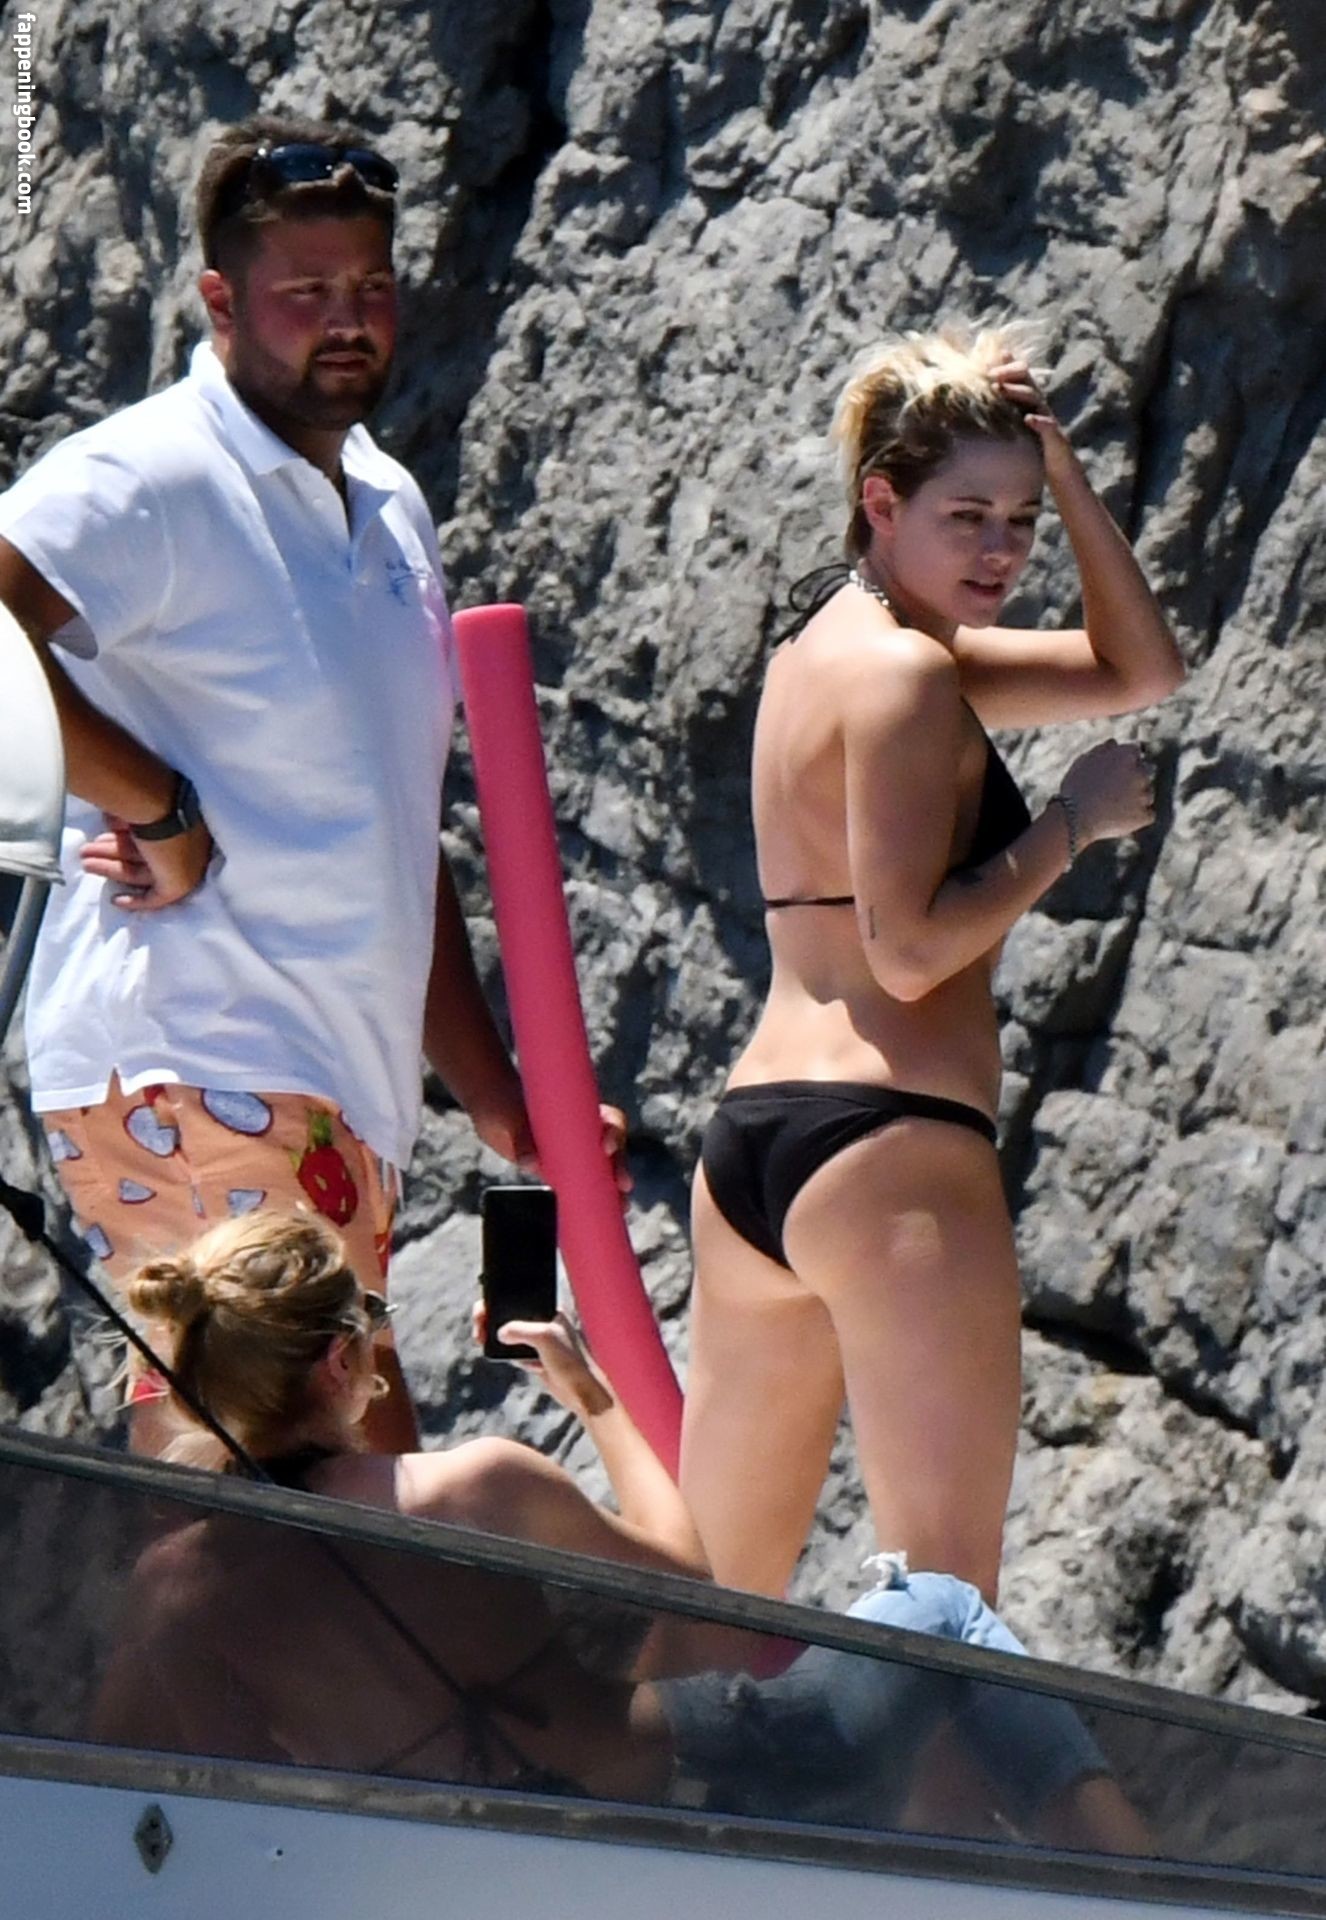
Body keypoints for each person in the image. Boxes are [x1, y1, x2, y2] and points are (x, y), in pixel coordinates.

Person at [0, 113, 622, 1452]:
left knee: (265, 1502)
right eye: (305, 292)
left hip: (332, 1083)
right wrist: (156, 803)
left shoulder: (391, 503)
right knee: (334, 1500)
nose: (347, 320)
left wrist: (494, 1094)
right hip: (196, 1050)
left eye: (371, 286)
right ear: (219, 300)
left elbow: (392, 833)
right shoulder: (147, 472)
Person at [92, 1206, 1149, 1851]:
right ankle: (1147, 1888)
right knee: (944, 1614)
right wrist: (590, 1392)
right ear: (337, 1363)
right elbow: (690, 1581)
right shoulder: (473, 1484)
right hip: (696, 1779)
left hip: (475, 1868)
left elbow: (227, 1794)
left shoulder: (173, 1590)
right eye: (370, 1322)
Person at [680, 324, 1186, 1603]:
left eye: (1022, 520)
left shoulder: (824, 651)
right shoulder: (911, 675)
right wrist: (1069, 824)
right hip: (891, 1142)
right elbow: (907, 954)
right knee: (947, 1606)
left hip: (753, 1152)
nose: (1001, 551)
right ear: (880, 503)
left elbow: (1139, 667)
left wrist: (1060, 465)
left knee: (707, 1606)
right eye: (967, 517)